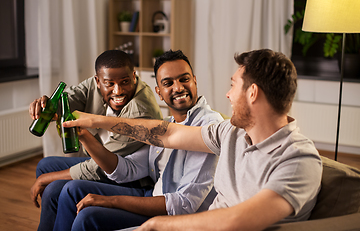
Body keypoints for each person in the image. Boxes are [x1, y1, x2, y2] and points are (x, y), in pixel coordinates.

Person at [64, 49, 323, 231]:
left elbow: (238, 221)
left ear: (252, 93)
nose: (228, 95)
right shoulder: (231, 133)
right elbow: (167, 133)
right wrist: (95, 122)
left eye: (233, 86)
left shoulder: (298, 160)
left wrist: (161, 224)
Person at [49, 49, 223, 231]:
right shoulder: (164, 126)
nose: (178, 88)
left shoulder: (210, 126)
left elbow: (183, 205)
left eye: (184, 79)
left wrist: (111, 201)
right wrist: (84, 136)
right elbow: (126, 170)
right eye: (168, 83)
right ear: (159, 92)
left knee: (88, 216)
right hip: (155, 198)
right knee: (72, 190)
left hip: (176, 217)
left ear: (194, 80)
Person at [29, 50, 162, 230]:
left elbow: (101, 167)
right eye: (109, 84)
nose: (118, 91)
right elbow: (67, 100)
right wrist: (46, 104)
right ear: (97, 81)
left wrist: (45, 179)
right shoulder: (94, 84)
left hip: (130, 176)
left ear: (134, 76)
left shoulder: (140, 112)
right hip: (105, 161)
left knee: (53, 187)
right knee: (45, 166)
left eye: (125, 82)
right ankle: (62, 219)